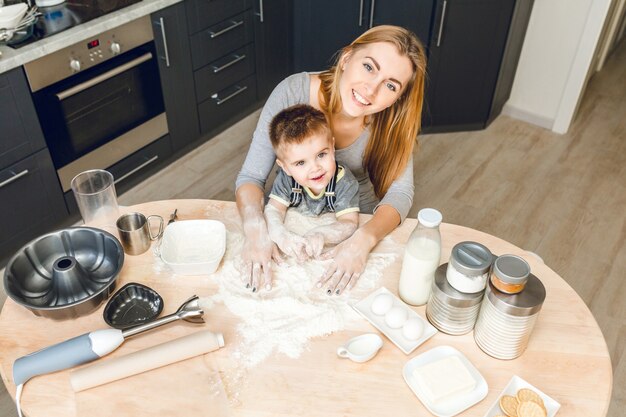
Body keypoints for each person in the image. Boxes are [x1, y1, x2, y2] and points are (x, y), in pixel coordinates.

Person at [236, 25, 427, 294]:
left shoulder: (393, 123)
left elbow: (401, 192)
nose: (371, 90)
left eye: (390, 85)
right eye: (369, 67)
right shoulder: (294, 91)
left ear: (398, 97)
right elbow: (251, 177)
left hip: (353, 226)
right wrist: (255, 229)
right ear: (347, 59)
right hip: (288, 220)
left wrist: (363, 239)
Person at [263, 104, 360, 283]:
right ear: (285, 167)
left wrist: (321, 234)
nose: (315, 168)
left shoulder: (344, 182)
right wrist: (281, 235)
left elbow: (349, 222)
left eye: (321, 155)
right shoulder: (286, 180)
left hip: (324, 256)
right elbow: (274, 210)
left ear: (332, 145)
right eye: (300, 163)